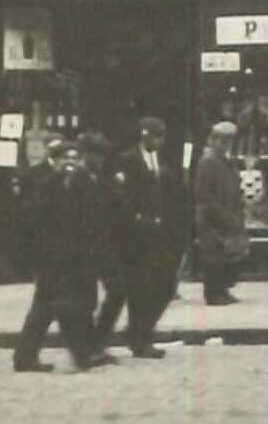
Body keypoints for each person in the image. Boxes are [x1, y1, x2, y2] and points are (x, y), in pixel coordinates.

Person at [12, 137, 116, 373]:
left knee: (46, 307)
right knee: (61, 306)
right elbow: (31, 218)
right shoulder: (44, 182)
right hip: (50, 256)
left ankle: (26, 356)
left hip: (71, 256)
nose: (70, 162)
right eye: (64, 158)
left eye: (74, 158)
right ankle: (80, 355)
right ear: (55, 160)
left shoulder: (81, 183)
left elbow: (91, 215)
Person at [92, 116, 180, 358]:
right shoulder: (128, 160)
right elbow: (123, 198)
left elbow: (170, 195)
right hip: (134, 236)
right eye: (154, 136)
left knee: (165, 286)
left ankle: (140, 331)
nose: (158, 142)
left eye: (161, 137)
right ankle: (138, 340)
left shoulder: (164, 161)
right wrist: (138, 220)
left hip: (158, 234)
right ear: (144, 135)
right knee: (137, 288)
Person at [192, 120, 249, 305]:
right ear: (213, 140)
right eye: (222, 141)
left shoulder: (227, 162)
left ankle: (222, 290)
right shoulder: (207, 162)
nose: (226, 145)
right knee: (213, 255)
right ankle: (213, 293)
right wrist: (221, 214)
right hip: (211, 216)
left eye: (229, 141)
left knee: (225, 255)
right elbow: (204, 195)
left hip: (226, 213)